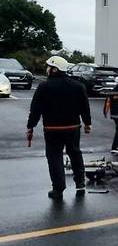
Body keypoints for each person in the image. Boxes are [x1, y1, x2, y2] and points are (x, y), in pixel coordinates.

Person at [27, 56, 91, 200]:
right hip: (73, 128)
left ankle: (58, 189)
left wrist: (30, 126)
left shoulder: (44, 87)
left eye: (49, 66)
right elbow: (84, 107)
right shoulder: (78, 86)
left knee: (55, 157)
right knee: (75, 153)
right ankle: (80, 183)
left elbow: (35, 109)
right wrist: (87, 123)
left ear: (55, 69)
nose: (47, 69)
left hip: (52, 129)